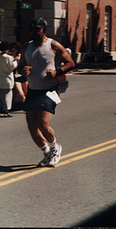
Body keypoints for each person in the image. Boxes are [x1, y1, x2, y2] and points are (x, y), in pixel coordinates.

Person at [18, 17, 75, 166]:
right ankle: (47, 153)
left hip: (49, 90)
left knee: (43, 124)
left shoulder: (53, 45)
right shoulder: (26, 47)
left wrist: (58, 71)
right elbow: (20, 66)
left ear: (43, 29)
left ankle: (55, 148)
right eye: (32, 28)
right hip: (33, 90)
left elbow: (71, 63)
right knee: (32, 128)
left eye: (37, 28)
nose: (34, 31)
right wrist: (23, 70)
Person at [0, 41, 18, 117]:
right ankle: (6, 111)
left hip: (0, 79)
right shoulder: (8, 57)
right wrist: (15, 61)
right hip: (7, 78)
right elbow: (12, 67)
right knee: (7, 96)